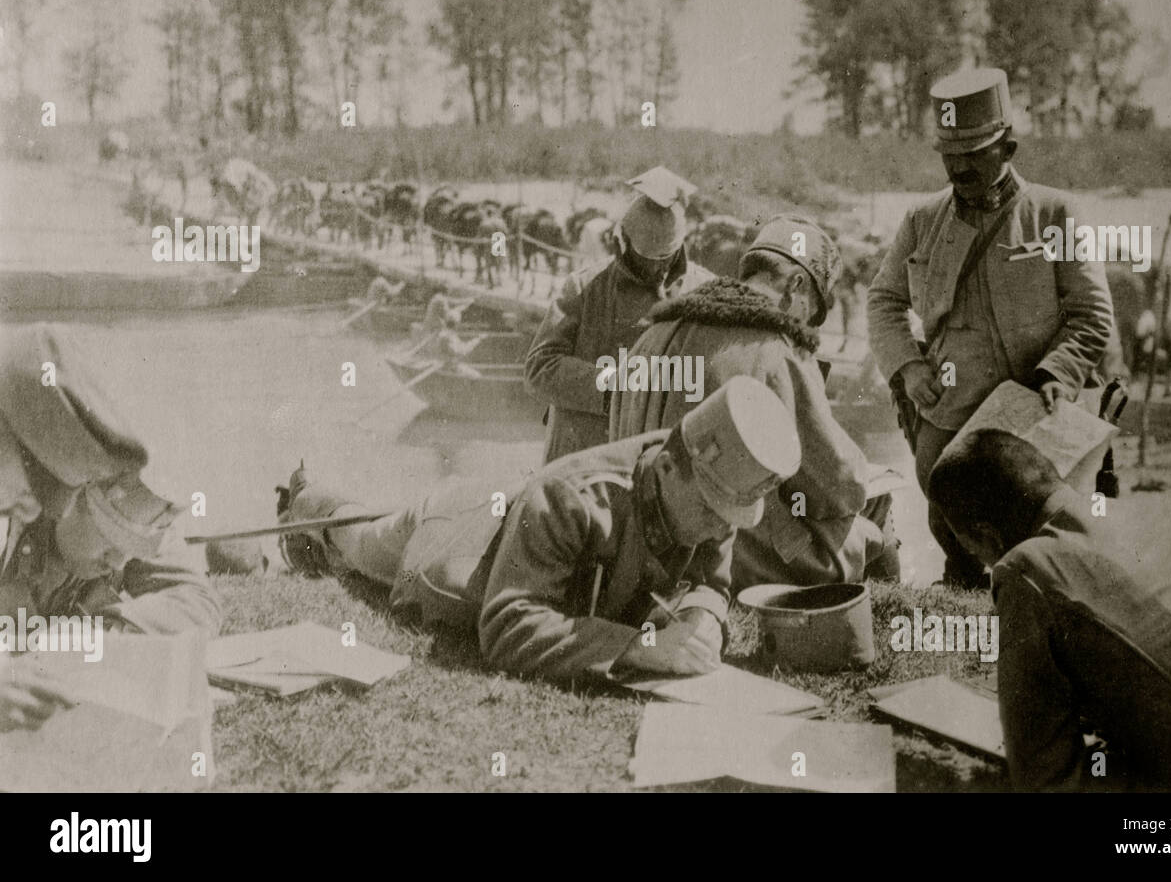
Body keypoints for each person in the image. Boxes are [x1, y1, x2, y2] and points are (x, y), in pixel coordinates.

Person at [277, 376, 801, 681]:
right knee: (360, 542)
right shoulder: (574, 496)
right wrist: (639, 647)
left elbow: (712, 580)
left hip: (517, 515)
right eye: (711, 512)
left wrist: (703, 618)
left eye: (727, 517)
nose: (718, 528)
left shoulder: (714, 489)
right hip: (454, 543)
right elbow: (507, 628)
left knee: (368, 528)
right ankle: (304, 497)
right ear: (667, 469)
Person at [928, 429, 1171, 791]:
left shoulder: (1024, 569)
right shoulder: (1140, 510)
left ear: (987, 536)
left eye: (976, 553)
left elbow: (1046, 777)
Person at [866, 67, 1114, 590]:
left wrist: (1057, 375)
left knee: (1047, 524)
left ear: (1009, 149)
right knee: (946, 506)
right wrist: (909, 367)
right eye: (949, 156)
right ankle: (965, 583)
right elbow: (883, 299)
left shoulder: (1055, 213)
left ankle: (1044, 594)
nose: (959, 168)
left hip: (1037, 405)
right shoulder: (920, 219)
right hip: (952, 406)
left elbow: (1093, 316)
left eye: (974, 155)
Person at [610, 215, 900, 589]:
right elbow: (839, 485)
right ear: (796, 284)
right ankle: (884, 603)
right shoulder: (773, 348)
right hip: (730, 552)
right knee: (877, 501)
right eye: (811, 311)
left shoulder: (651, 335)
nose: (808, 327)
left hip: (635, 548)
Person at [0, 325, 221, 638]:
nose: (118, 562)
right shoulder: (16, 508)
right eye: (111, 540)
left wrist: (101, 632)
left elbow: (198, 601)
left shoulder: (139, 510)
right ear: (83, 495)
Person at [525, 167, 714, 463]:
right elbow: (540, 367)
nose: (658, 270)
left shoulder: (706, 291)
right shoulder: (584, 287)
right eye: (647, 259)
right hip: (586, 458)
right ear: (623, 241)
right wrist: (613, 385)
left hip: (662, 463)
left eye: (667, 259)